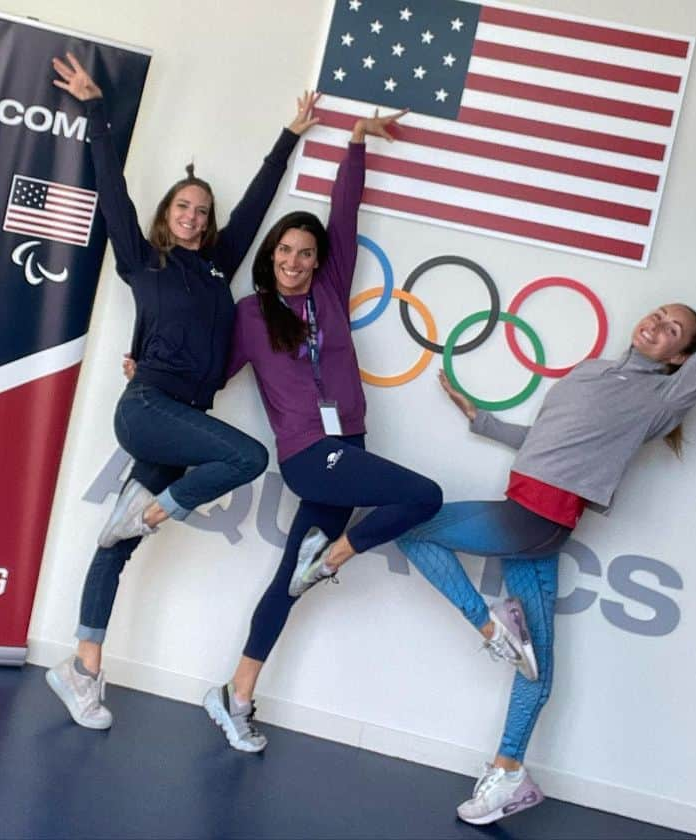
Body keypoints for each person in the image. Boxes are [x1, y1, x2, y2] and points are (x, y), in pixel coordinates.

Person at [393, 267, 696, 825]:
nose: (659, 323)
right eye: (660, 313)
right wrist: (480, 419)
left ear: (680, 358)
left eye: (675, 329)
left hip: (535, 519)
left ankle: (489, 624)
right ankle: (509, 772)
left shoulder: (665, 395)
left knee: (407, 522)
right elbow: (548, 443)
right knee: (537, 668)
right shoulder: (593, 373)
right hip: (531, 522)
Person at [45, 53, 320, 730]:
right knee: (249, 458)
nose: (194, 216)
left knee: (114, 545)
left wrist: (290, 136)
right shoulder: (144, 261)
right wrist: (93, 110)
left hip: (184, 416)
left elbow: (258, 204)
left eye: (203, 210)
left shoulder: (220, 267)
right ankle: (151, 511)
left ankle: (81, 668)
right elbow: (112, 191)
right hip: (145, 410)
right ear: (169, 213)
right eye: (183, 206)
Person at [201, 109, 444, 753]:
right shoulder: (251, 315)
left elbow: (345, 211)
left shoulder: (330, 293)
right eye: (285, 250)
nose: (295, 260)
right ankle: (330, 558)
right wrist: (154, 369)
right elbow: (211, 376)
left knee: (286, 582)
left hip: (350, 445)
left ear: (316, 262)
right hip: (311, 454)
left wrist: (356, 142)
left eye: (305, 253)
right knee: (424, 496)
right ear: (271, 255)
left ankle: (235, 694)